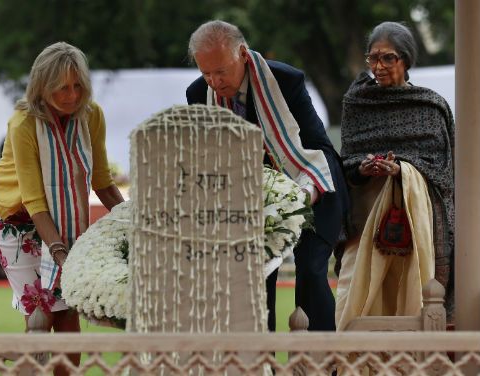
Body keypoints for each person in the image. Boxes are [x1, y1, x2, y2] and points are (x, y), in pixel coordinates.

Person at [186, 20, 349, 332]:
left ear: (243, 55)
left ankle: (322, 364)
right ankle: (259, 365)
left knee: (312, 274)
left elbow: (316, 147)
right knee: (251, 284)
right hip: (248, 203)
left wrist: (299, 196)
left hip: (312, 184)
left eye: (221, 71)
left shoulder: (285, 80)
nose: (214, 82)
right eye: (206, 73)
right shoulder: (198, 94)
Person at [0, 42, 124, 357]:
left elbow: (102, 181)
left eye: (78, 86)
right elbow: (34, 200)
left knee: (68, 313)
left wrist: (135, 221)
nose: (72, 96)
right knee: (42, 308)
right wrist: (63, 256)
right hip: (15, 220)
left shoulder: (92, 115)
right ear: (42, 87)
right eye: (62, 88)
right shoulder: (23, 123)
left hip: (60, 217)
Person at [335, 22, 454, 330]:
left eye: (388, 58)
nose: (379, 66)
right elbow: (344, 160)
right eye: (373, 58)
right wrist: (362, 168)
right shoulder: (357, 102)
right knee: (355, 298)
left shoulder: (429, 106)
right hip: (364, 224)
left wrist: (402, 169)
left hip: (417, 225)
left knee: (412, 294)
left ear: (406, 60)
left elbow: (442, 169)